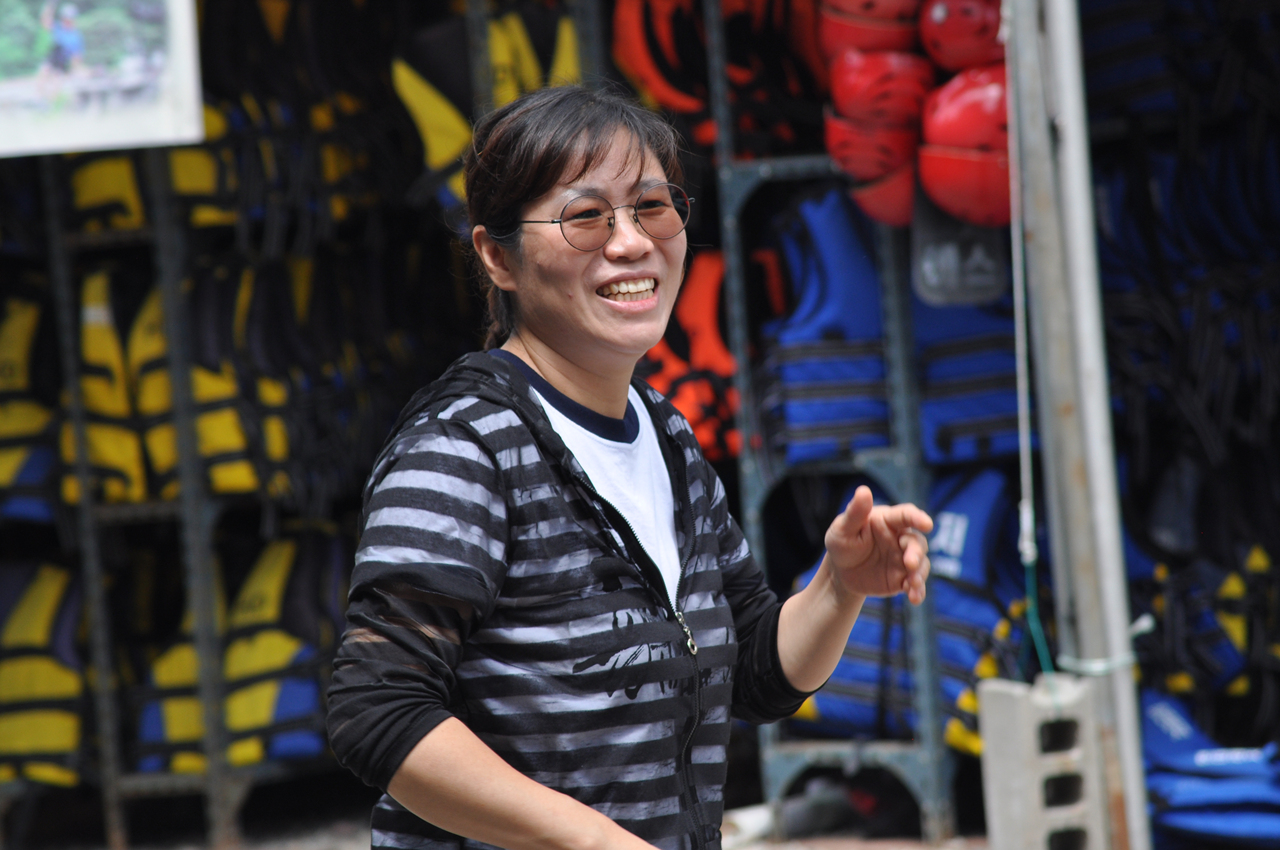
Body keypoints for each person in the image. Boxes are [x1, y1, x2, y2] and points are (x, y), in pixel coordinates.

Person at [326, 85, 932, 850]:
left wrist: (839, 587)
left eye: (652, 207)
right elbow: (377, 710)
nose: (631, 242)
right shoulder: (464, 448)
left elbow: (753, 673)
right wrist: (591, 840)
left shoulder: (665, 434)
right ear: (497, 256)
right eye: (586, 217)